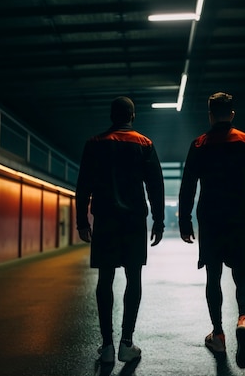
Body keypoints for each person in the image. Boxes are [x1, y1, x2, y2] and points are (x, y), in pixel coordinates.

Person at [178, 92, 245, 369]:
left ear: (210, 115)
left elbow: (188, 187)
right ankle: (243, 318)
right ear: (231, 114)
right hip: (240, 217)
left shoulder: (199, 145)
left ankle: (217, 333)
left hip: (210, 219)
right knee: (242, 275)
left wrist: (185, 222)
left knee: (213, 276)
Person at [75, 96, 165, 364]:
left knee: (105, 279)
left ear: (112, 116)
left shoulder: (94, 144)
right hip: (134, 222)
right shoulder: (144, 144)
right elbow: (156, 186)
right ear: (132, 116)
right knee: (133, 277)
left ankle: (107, 347)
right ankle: (127, 342)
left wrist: (82, 221)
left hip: (105, 220)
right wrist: (159, 221)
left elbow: (83, 186)